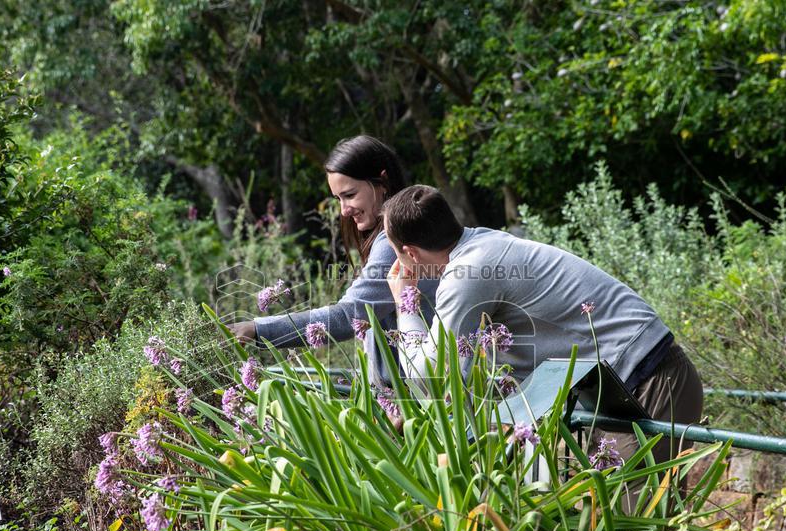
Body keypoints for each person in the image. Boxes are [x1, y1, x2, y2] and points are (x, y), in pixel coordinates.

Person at [381, 184, 703, 468]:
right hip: (625, 384)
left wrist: (405, 301)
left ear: (409, 253)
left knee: (630, 527)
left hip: (649, 380)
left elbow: (433, 376)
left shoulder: (469, 271)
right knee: (602, 522)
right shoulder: (483, 246)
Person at [229, 136, 438, 381]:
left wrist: (258, 330)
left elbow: (348, 316)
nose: (343, 210)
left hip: (419, 399)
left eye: (349, 195)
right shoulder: (408, 229)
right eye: (338, 198)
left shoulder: (393, 242)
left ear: (383, 182)